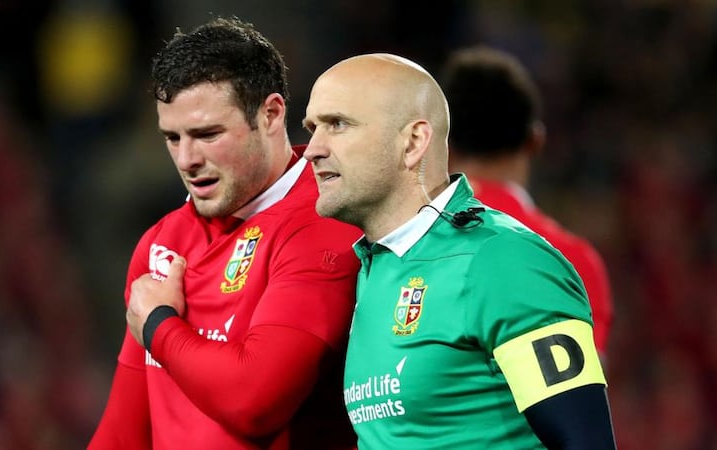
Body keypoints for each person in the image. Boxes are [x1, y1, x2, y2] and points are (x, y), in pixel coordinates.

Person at [301, 53, 616, 449]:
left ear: (413, 142)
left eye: (338, 125)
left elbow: (586, 443)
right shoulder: (373, 268)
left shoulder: (501, 260)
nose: (312, 149)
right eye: (312, 128)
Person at [88, 17, 361, 450]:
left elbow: (255, 401)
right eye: (172, 137)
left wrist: (159, 325)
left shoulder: (324, 224)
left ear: (271, 113)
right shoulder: (163, 244)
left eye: (207, 134)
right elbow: (124, 431)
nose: (186, 159)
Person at [440, 46, 614, 356]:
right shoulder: (571, 260)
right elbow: (584, 395)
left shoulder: (396, 243)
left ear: (443, 144)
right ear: (535, 141)